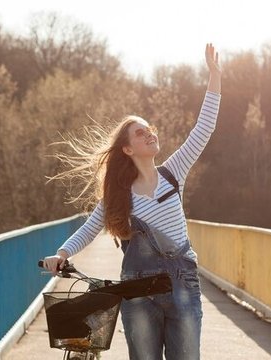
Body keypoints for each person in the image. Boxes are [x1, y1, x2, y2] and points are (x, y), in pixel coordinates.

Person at [42, 43, 222, 360]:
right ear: (127, 149)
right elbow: (89, 228)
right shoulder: (118, 195)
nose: (149, 134)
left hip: (182, 286)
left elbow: (203, 128)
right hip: (139, 293)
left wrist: (215, 75)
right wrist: (62, 253)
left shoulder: (173, 172)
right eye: (140, 133)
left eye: (149, 130)